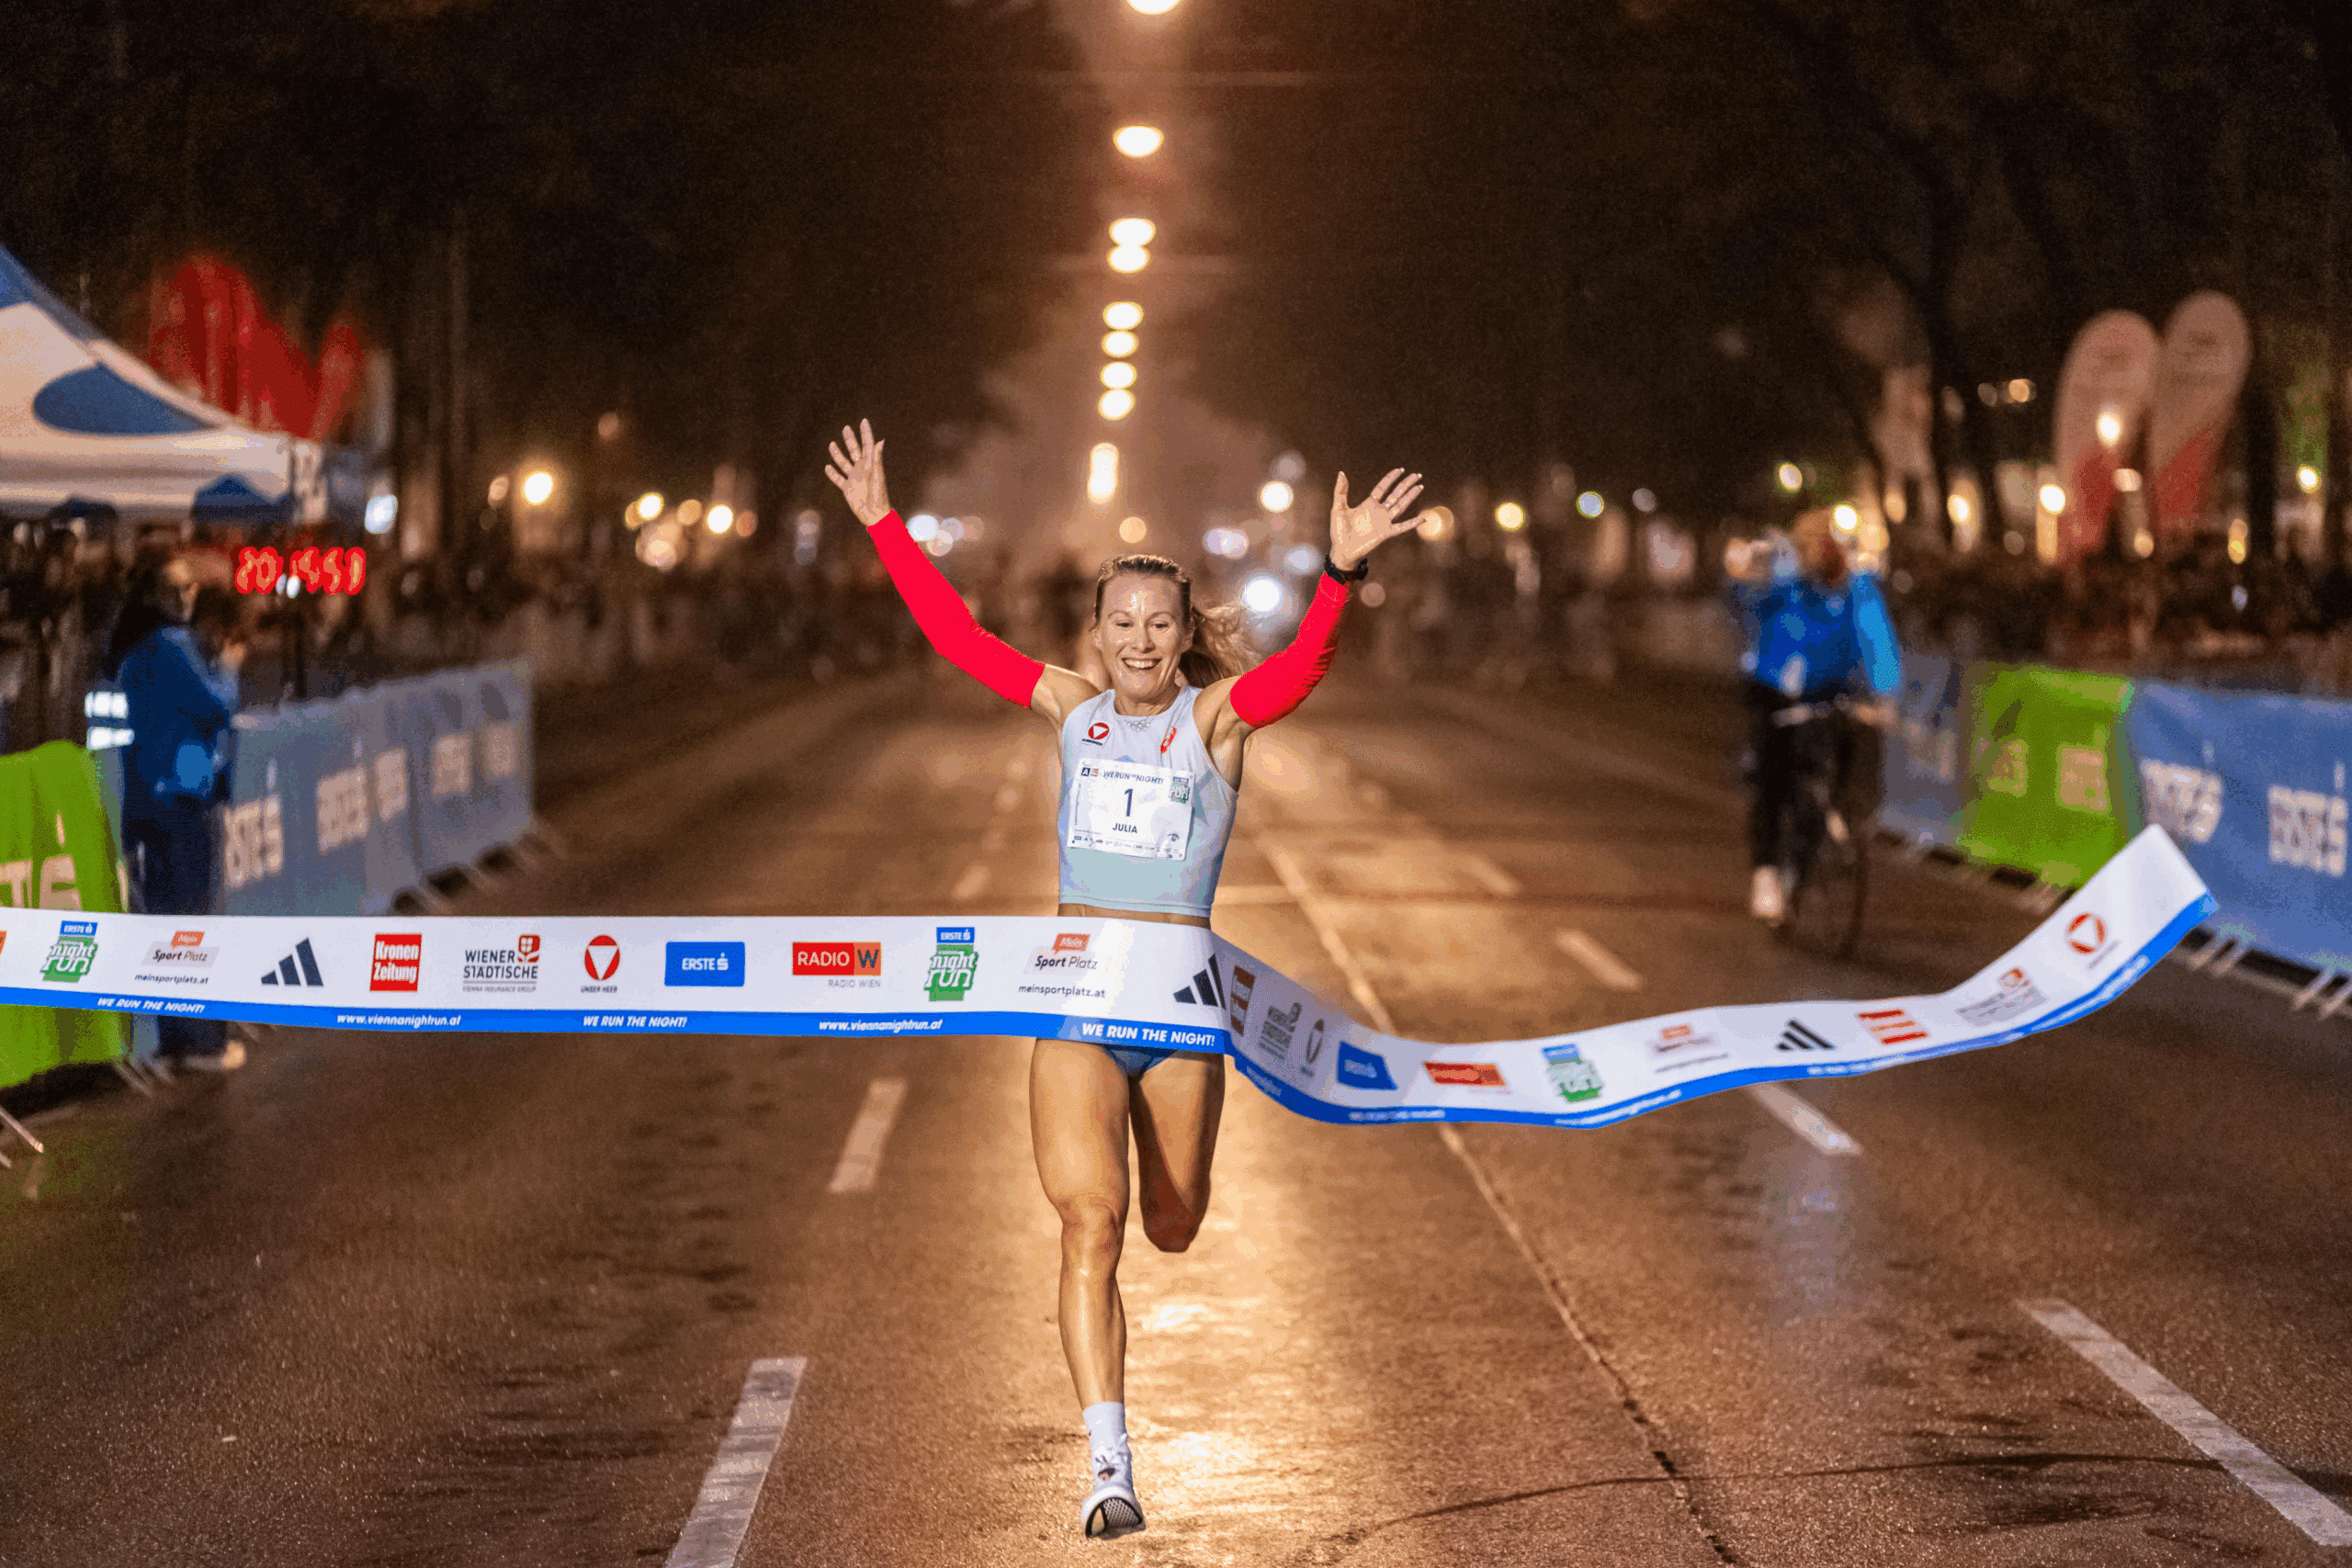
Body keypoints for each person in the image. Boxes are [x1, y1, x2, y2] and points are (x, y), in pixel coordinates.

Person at [826, 420, 1423, 1539]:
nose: (1139, 642)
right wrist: (883, 525)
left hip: (1181, 1020)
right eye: (1121, 624)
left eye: (1159, 624)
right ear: (1094, 635)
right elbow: (955, 637)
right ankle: (1109, 1466)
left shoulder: (1216, 721)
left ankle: (1167, 1189)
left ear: (1184, 635)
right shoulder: (1071, 710)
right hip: (1077, 1010)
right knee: (1089, 1224)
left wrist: (1340, 574)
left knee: (1172, 1225)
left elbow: (1299, 670)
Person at [107, 556, 247, 1070]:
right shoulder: (173, 645)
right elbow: (216, 705)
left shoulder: (132, 650)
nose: (190, 596)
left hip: (149, 796)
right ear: (161, 594)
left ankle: (175, 1039)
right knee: (194, 922)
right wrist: (229, 667)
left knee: (168, 924)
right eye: (182, 587)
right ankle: (202, 1044)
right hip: (186, 799)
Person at [1724, 512, 1899, 922]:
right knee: (1772, 782)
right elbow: (1748, 606)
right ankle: (1766, 872)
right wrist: (1750, 575)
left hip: (1831, 690)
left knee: (1839, 761)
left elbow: (1877, 638)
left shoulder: (1859, 588)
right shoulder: (1787, 585)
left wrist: (1885, 695)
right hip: (1775, 691)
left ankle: (1837, 826)